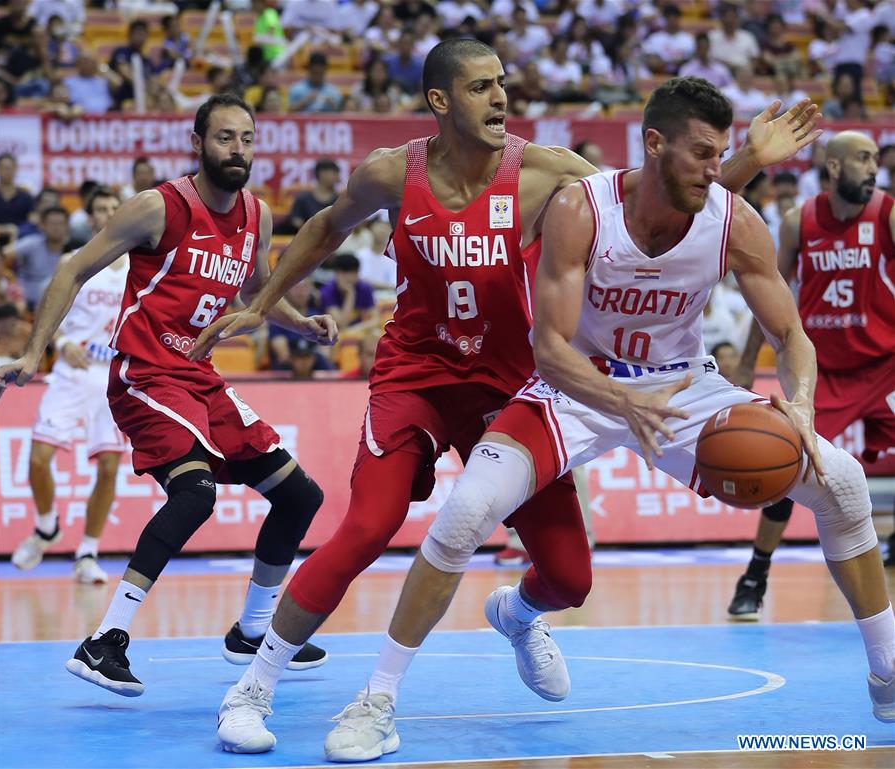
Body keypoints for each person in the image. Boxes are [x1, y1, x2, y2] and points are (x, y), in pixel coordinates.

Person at [187, 42, 822, 755]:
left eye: (502, 85)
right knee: (367, 526)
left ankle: (519, 614)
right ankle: (252, 687)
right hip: (415, 377)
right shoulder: (392, 173)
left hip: (514, 383)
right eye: (481, 86)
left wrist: (749, 161)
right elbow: (325, 226)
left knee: (570, 576)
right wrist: (261, 302)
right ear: (439, 101)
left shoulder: (548, 172)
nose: (500, 98)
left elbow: (665, 200)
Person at [313, 77, 894, 759]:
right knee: (466, 509)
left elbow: (792, 337)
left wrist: (796, 408)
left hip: (680, 389)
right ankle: (375, 698)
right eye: (703, 155)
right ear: (652, 145)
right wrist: (620, 401)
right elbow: (550, 348)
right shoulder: (579, 209)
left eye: (723, 156)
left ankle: (885, 674)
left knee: (843, 481)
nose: (718, 170)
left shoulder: (733, 219)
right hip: (576, 388)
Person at [0, 94, 338, 697]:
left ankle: (252, 631)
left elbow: (257, 296)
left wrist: (302, 325)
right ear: (198, 142)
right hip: (144, 373)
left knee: (300, 496)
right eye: (226, 137)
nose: (238, 149)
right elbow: (71, 269)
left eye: (248, 139)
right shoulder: (159, 206)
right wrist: (33, 353)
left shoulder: (256, 214)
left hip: (200, 378)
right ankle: (105, 641)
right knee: (195, 492)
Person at [728, 131, 895, 620]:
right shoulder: (797, 222)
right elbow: (768, 294)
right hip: (824, 370)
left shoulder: (886, 213)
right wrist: (745, 358)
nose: (873, 168)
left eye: (874, 160)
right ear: (835, 167)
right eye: (863, 159)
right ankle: (755, 575)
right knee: (787, 463)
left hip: (884, 366)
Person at [10, 187, 127, 584]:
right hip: (72, 372)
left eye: (115, 207)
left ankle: (88, 554)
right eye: (101, 209)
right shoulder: (72, 262)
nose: (109, 213)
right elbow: (49, 316)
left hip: (112, 377)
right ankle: (46, 527)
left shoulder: (141, 267)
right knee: (38, 458)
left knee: (109, 466)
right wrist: (60, 344)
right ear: (90, 219)